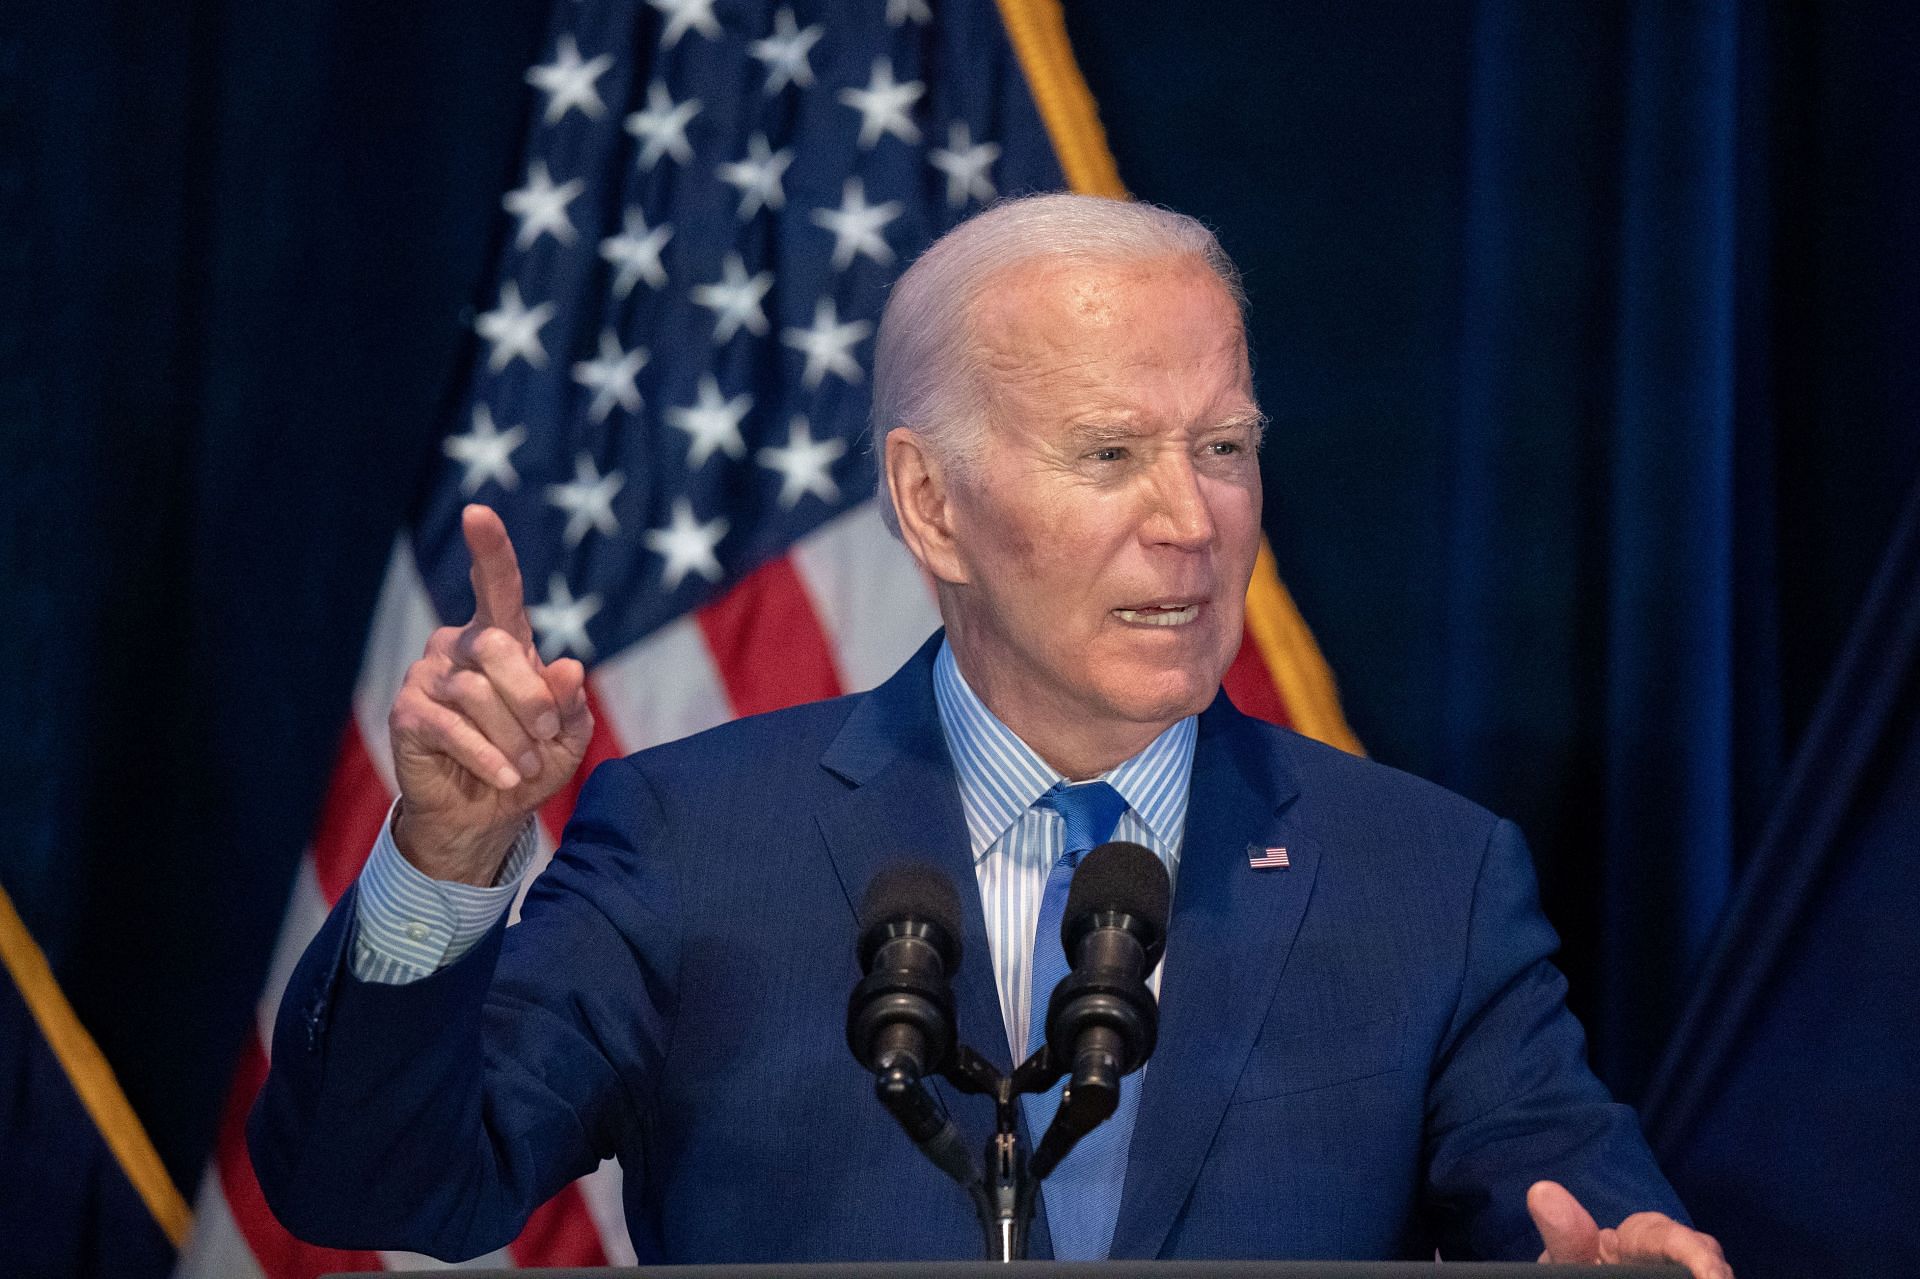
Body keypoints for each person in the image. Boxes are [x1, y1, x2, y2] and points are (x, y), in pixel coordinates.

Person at [250, 194, 1731, 1277]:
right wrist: (443, 855)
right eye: (1110, 454)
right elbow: (371, 1183)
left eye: (1225, 450)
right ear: (932, 506)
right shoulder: (695, 845)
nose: (1190, 520)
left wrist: (1627, 1265)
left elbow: (1580, 1206)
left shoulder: (1427, 879)